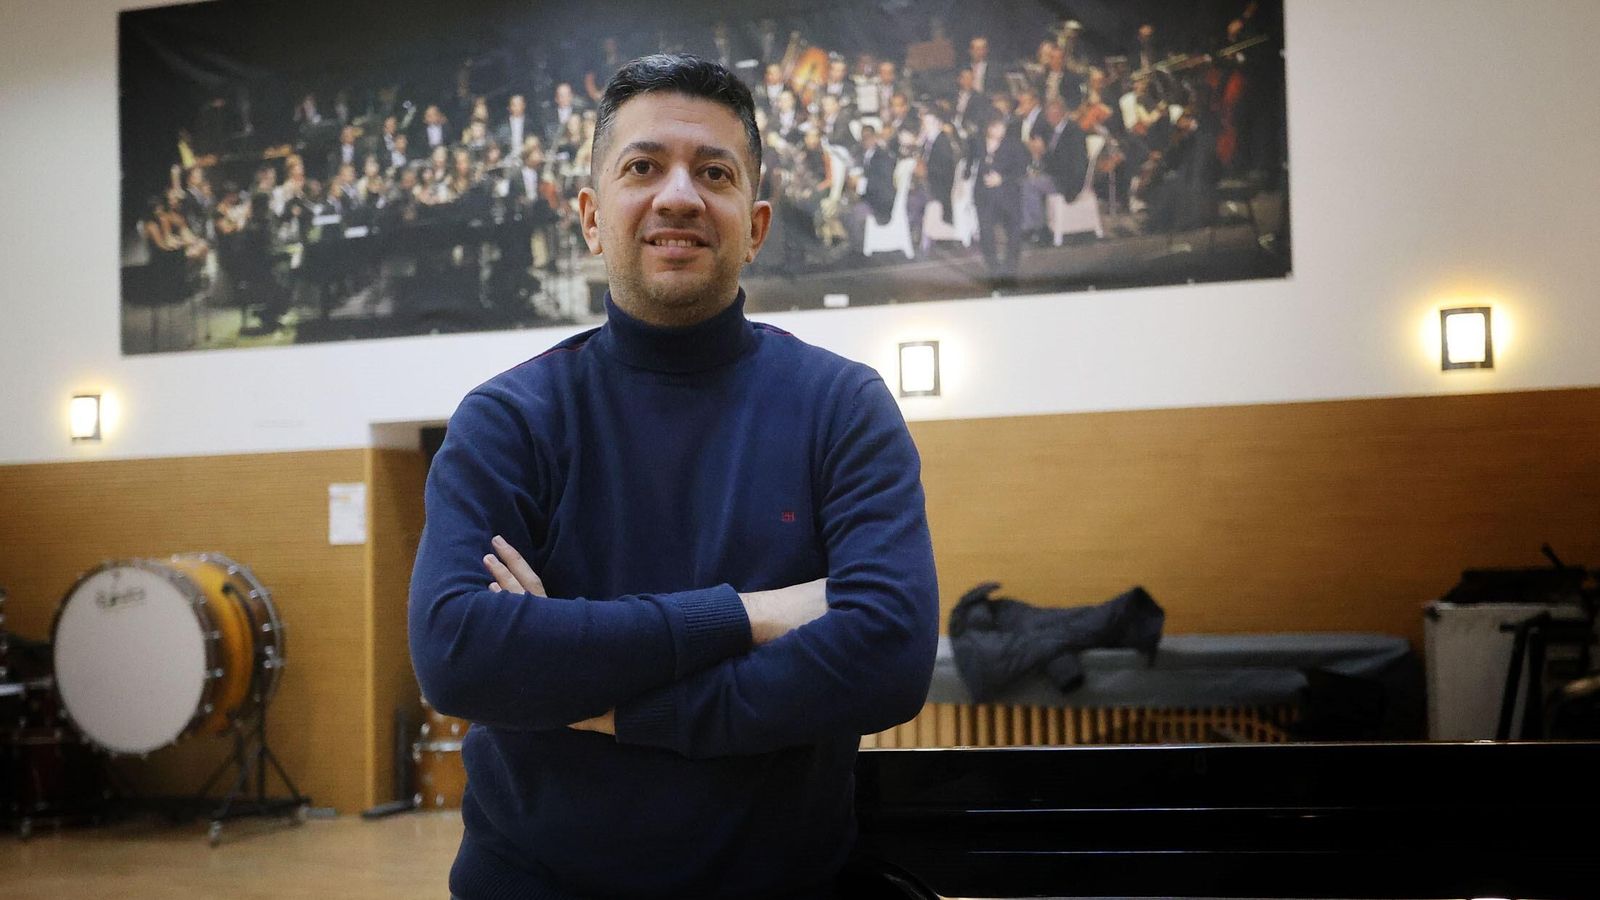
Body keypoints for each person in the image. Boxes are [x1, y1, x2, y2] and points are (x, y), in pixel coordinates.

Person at [409, 53, 938, 900]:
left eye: (715, 172)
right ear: (590, 215)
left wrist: (612, 706)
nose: (680, 195)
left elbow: (889, 655)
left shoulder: (843, 406)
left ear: (756, 225)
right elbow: (460, 653)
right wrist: (751, 614)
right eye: (643, 167)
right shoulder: (507, 420)